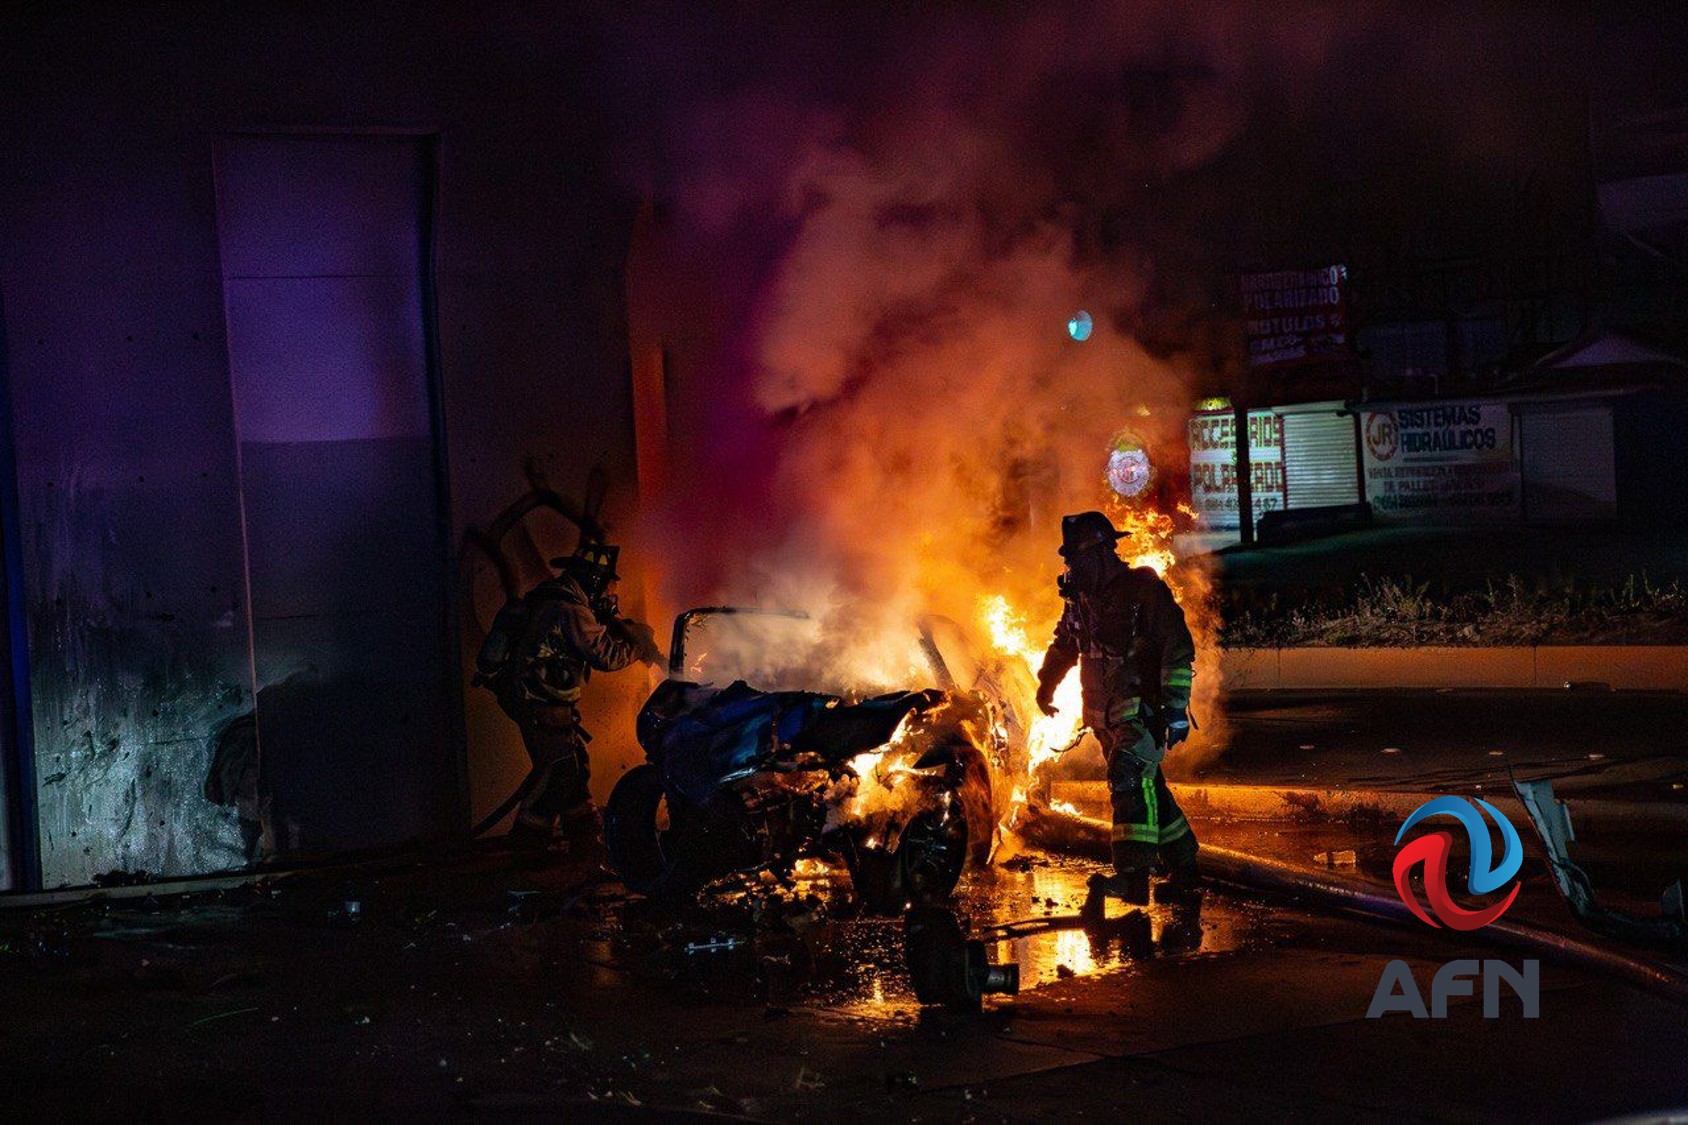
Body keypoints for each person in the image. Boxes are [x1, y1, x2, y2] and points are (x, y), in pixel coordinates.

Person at [1036, 511, 1199, 905]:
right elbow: (1065, 644)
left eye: (1076, 558)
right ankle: (1185, 868)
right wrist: (1046, 683)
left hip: (1142, 710)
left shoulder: (1143, 591)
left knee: (1127, 778)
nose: (1070, 567)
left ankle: (1132, 877)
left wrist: (1176, 708)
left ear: (1103, 553)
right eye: (1068, 560)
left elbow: (1177, 648)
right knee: (1150, 790)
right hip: (1103, 716)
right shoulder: (1081, 600)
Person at [476, 539, 661, 851]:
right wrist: (639, 646)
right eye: (605, 585)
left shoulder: (551, 599)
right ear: (593, 580)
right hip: (541, 703)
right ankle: (527, 846)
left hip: (538, 701)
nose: (606, 593)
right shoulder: (570, 610)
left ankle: (586, 838)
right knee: (557, 774)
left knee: (574, 768)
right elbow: (605, 656)